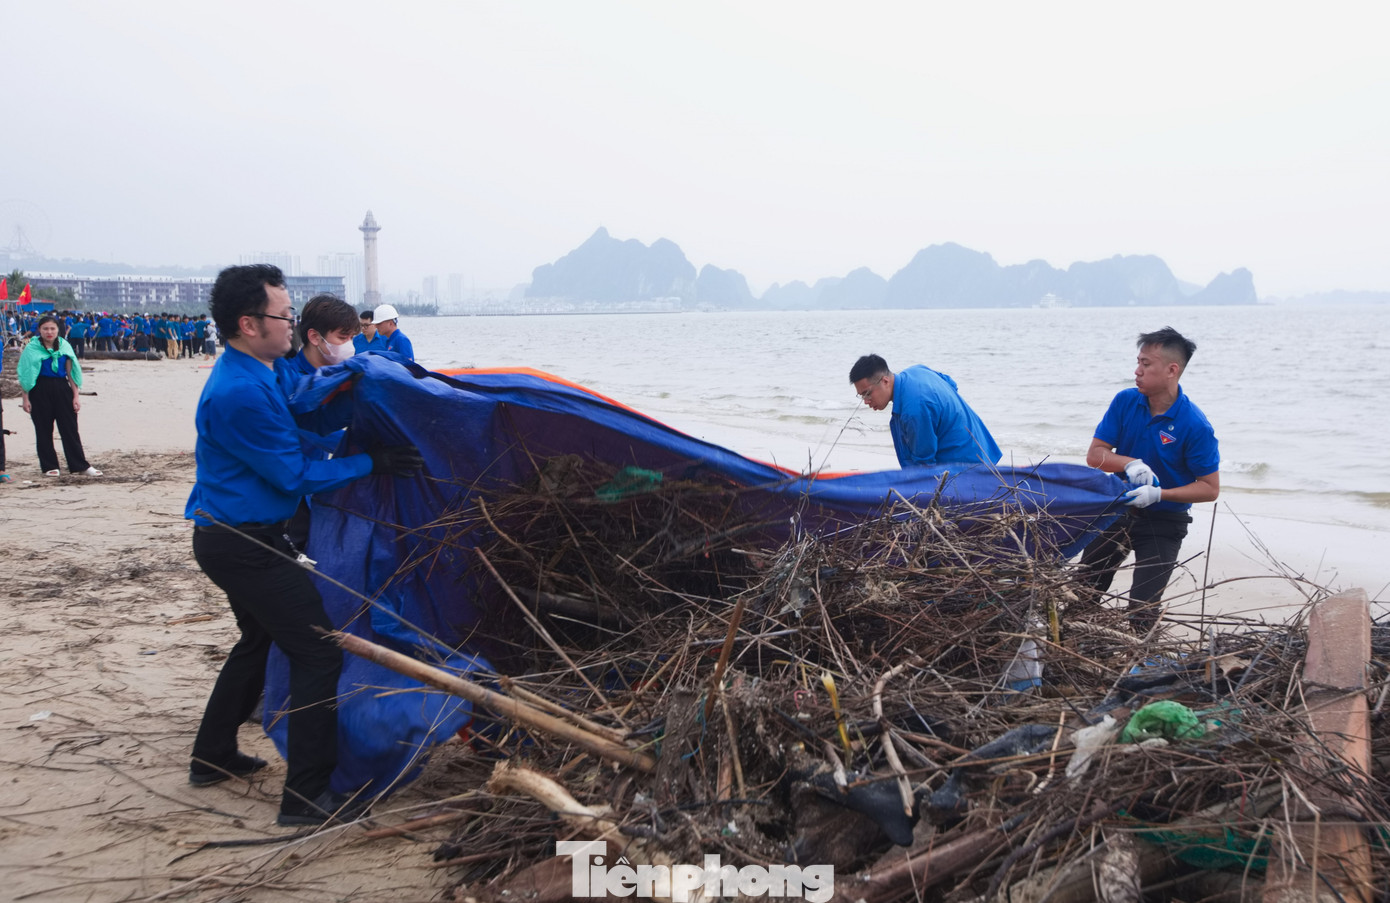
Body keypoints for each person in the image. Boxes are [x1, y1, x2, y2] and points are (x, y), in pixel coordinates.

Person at [185, 264, 423, 827]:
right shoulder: (241, 391)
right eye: (284, 314)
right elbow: (294, 474)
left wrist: (361, 404)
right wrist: (371, 463)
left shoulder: (258, 371)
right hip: (241, 543)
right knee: (318, 651)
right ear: (249, 324)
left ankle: (212, 755)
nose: (291, 323)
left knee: (258, 640)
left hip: (238, 535)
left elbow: (296, 424)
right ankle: (307, 796)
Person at [1076, 327, 1220, 633]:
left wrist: (1160, 494)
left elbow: (1209, 488)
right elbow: (1095, 455)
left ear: (1172, 370)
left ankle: (1139, 656)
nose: (1137, 371)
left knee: (1142, 611)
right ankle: (1076, 644)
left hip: (1165, 522)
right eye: (1138, 362)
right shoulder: (1126, 402)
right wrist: (1130, 463)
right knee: (1082, 592)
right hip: (1118, 509)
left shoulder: (1195, 425)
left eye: (1146, 364)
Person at [849, 354, 1001, 468]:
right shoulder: (917, 371)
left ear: (885, 381)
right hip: (985, 453)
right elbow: (951, 384)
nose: (866, 401)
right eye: (861, 395)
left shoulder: (914, 409)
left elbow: (924, 466)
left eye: (867, 393)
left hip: (966, 470)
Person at [17, 315, 102, 477]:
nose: (49, 332)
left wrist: (76, 396)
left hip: (62, 389)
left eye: (52, 329)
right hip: (39, 389)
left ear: (58, 330)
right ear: (39, 330)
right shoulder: (31, 348)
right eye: (45, 329)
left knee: (70, 429)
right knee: (43, 429)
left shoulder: (64, 346)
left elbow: (71, 373)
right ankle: (49, 466)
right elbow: (26, 375)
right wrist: (25, 399)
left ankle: (80, 465)